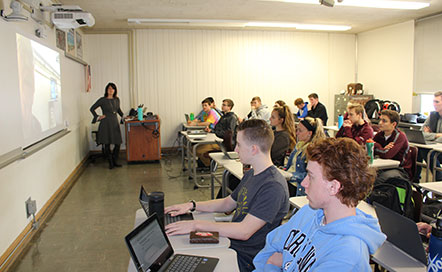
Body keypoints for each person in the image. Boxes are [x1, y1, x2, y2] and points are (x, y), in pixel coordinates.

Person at [165, 119, 289, 272]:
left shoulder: (273, 186)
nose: (236, 149)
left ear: (254, 149)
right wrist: (192, 205)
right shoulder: (252, 174)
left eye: (239, 145)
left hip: (245, 259)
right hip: (230, 242)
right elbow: (228, 203)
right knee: (177, 250)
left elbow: (244, 231)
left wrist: (196, 225)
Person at [253, 137, 386, 271]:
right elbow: (269, 249)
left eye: (311, 176)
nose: (304, 183)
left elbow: (271, 260)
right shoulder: (309, 212)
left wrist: (271, 266)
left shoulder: (348, 256)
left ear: (333, 187)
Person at [283, 117, 326, 197]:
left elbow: (310, 176)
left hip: (297, 185)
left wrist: (290, 175)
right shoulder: (299, 145)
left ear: (309, 133)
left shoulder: (312, 150)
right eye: (297, 130)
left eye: (300, 130)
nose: (297, 133)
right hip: (291, 181)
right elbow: (290, 166)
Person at [90, 82, 125, 169]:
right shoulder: (102, 100)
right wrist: (98, 117)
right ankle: (111, 163)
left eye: (112, 89)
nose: (111, 90)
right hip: (105, 123)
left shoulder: (117, 99)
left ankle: (115, 161)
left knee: (117, 143)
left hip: (114, 123)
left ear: (115, 90)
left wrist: (124, 116)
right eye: (109, 88)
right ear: (106, 90)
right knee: (107, 143)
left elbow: (118, 110)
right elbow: (92, 108)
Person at [196, 99, 238, 167]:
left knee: (198, 150)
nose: (222, 106)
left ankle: (209, 165)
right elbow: (218, 129)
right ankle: (207, 165)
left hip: (225, 143)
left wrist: (215, 133)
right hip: (219, 140)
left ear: (229, 107)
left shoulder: (232, 118)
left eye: (224, 105)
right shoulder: (224, 116)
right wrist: (211, 131)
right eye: (222, 104)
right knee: (197, 149)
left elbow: (228, 134)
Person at [417, 91, 442, 181]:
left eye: (437, 102)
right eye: (433, 101)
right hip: (434, 148)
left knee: (426, 152)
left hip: (439, 150)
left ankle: (439, 179)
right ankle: (415, 180)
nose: (434, 104)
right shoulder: (432, 116)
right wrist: (437, 135)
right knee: (417, 150)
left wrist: (430, 135)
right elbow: (421, 133)